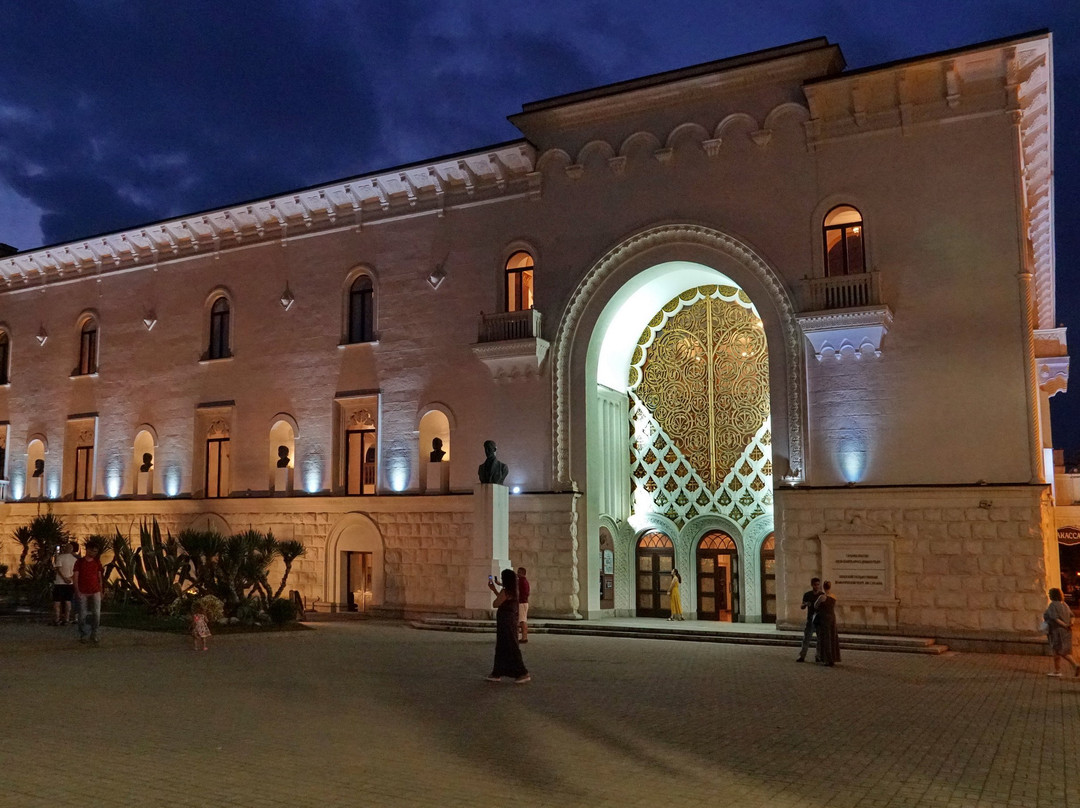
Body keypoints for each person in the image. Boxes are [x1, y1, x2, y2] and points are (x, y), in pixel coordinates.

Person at [485, 569, 530, 683]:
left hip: (506, 622)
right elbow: (501, 600)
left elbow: (496, 603)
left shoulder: (506, 592)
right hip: (508, 621)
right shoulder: (513, 591)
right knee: (504, 646)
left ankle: (522, 672)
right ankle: (497, 672)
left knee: (509, 645)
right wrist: (495, 590)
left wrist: (495, 590)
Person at [72, 544, 104, 645]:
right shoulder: (80, 562)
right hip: (83, 591)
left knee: (96, 614)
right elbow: (76, 576)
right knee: (82, 615)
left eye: (95, 552)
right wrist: (77, 590)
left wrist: (101, 590)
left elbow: (99, 577)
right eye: (92, 551)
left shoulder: (97, 562)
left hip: (95, 590)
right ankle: (83, 634)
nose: (94, 553)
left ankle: (94, 634)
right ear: (88, 550)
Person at [1043, 588, 1079, 677]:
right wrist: (1071, 623)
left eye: (1050, 594)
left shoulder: (1053, 605)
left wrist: (1064, 625)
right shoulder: (1065, 605)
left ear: (1053, 595)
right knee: (1060, 651)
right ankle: (1057, 670)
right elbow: (1072, 616)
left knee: (1058, 651)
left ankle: (1074, 665)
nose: (1049, 595)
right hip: (1066, 631)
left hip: (1056, 631)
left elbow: (1055, 618)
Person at [796, 577, 823, 662]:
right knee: (807, 638)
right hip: (811, 619)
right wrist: (805, 605)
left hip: (819, 620)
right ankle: (802, 656)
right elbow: (802, 606)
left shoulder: (822, 595)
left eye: (818, 585)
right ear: (812, 585)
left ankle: (818, 656)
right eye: (815, 585)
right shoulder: (807, 595)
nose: (817, 586)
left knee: (820, 639)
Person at [51, 541, 77, 626]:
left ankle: (57, 619)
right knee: (68, 601)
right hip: (70, 583)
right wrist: (70, 578)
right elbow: (76, 572)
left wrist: (64, 578)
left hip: (59, 583)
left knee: (57, 601)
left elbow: (58, 569)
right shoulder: (74, 560)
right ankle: (67, 619)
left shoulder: (60, 557)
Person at [815, 580, 840, 666]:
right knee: (832, 637)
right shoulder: (834, 596)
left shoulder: (822, 597)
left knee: (826, 638)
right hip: (832, 617)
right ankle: (833, 657)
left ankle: (828, 659)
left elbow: (815, 605)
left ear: (823, 587)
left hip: (824, 618)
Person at [517, 566, 530, 643]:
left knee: (522, 620)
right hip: (524, 602)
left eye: (518, 572)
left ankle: (524, 637)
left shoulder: (521, 581)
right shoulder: (524, 581)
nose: (517, 573)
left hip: (522, 602)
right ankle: (524, 637)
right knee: (522, 620)